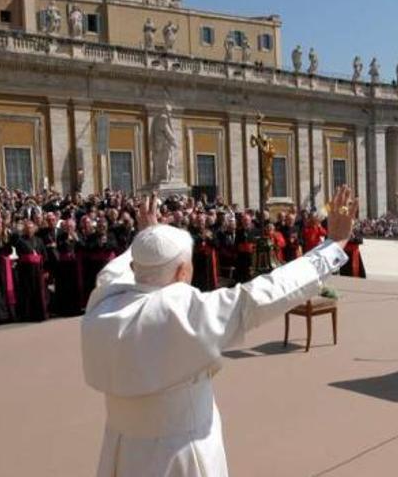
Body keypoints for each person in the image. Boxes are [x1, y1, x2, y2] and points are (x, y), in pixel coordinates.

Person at [81, 186, 356, 477]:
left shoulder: (104, 303)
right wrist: (334, 245)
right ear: (181, 273)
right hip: (181, 458)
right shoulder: (186, 314)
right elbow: (263, 294)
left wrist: (149, 238)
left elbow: (123, 269)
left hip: (122, 454)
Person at [13, 220, 48, 321]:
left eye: (31, 228)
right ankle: (28, 315)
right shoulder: (20, 241)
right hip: (25, 271)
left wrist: (46, 270)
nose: (29, 230)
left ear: (34, 229)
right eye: (27, 228)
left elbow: (44, 255)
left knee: (39, 292)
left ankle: (40, 314)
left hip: (38, 270)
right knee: (27, 292)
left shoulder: (39, 240)